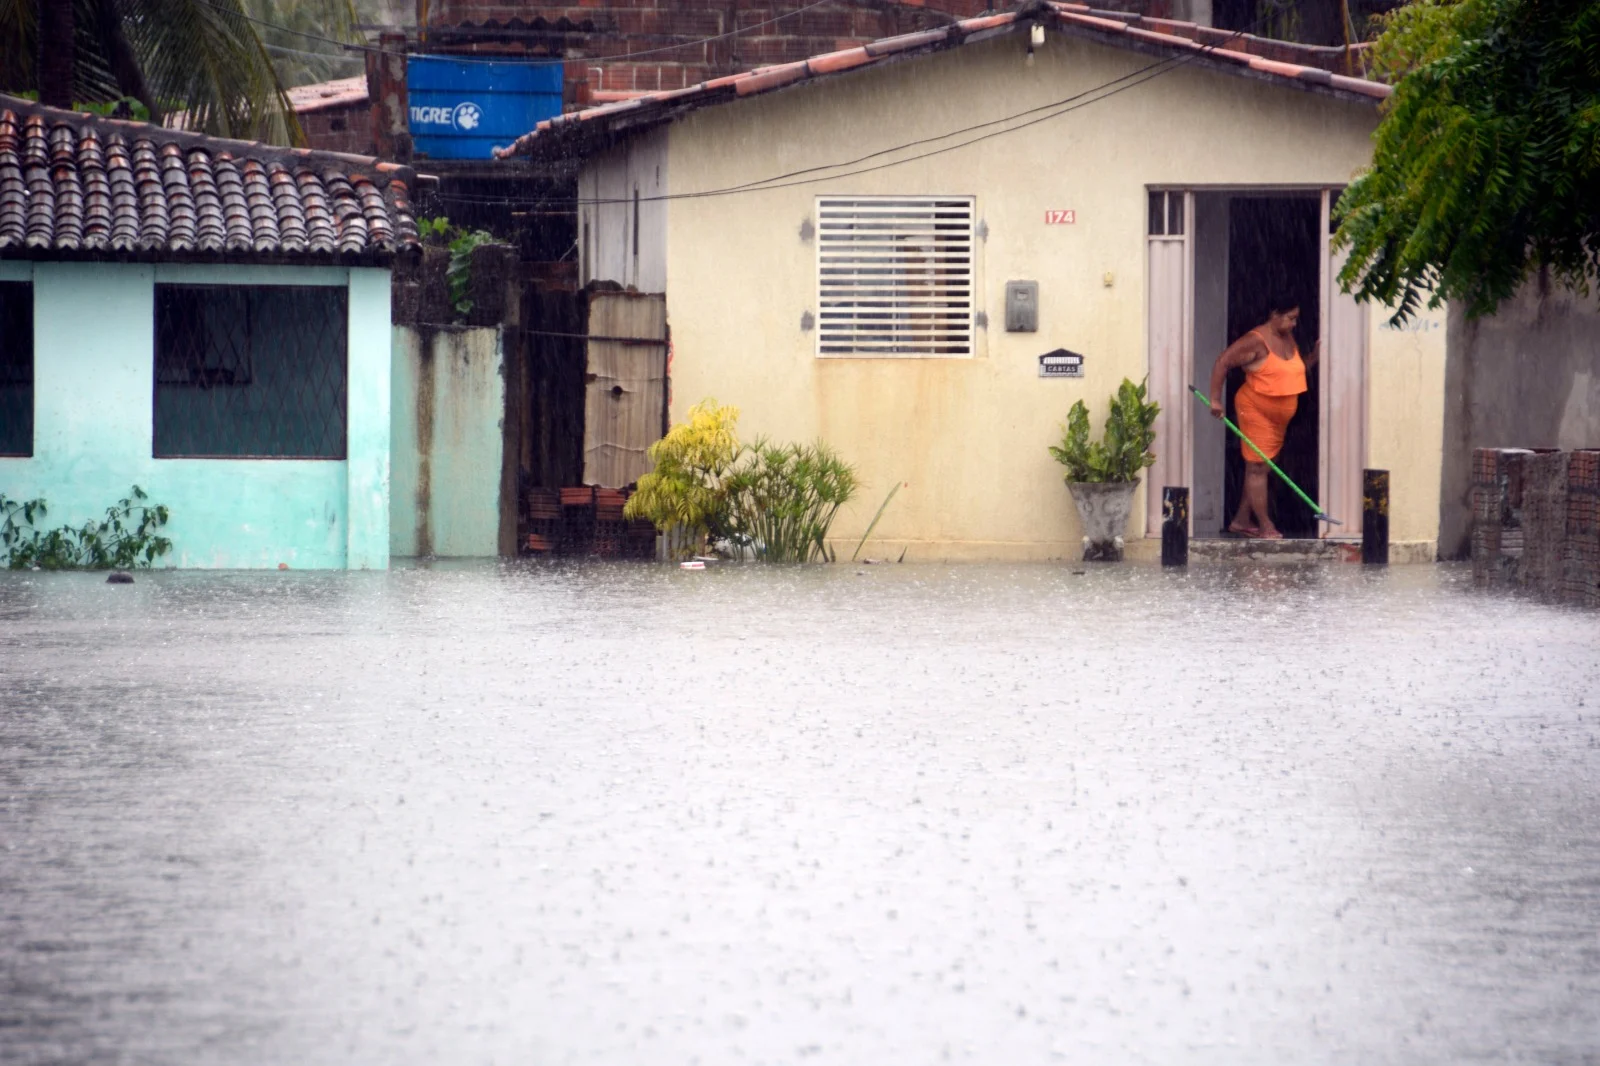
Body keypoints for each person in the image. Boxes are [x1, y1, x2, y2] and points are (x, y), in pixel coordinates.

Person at [1206, 298, 1320, 539]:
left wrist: (1314, 357)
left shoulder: (1287, 338)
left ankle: (1240, 520)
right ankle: (1266, 525)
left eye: (1296, 318)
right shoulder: (1255, 341)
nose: (1294, 324)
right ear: (1274, 314)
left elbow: (1292, 372)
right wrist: (1215, 399)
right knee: (1257, 466)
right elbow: (1223, 361)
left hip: (1279, 419)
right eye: (1290, 318)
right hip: (1255, 409)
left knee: (1263, 466)